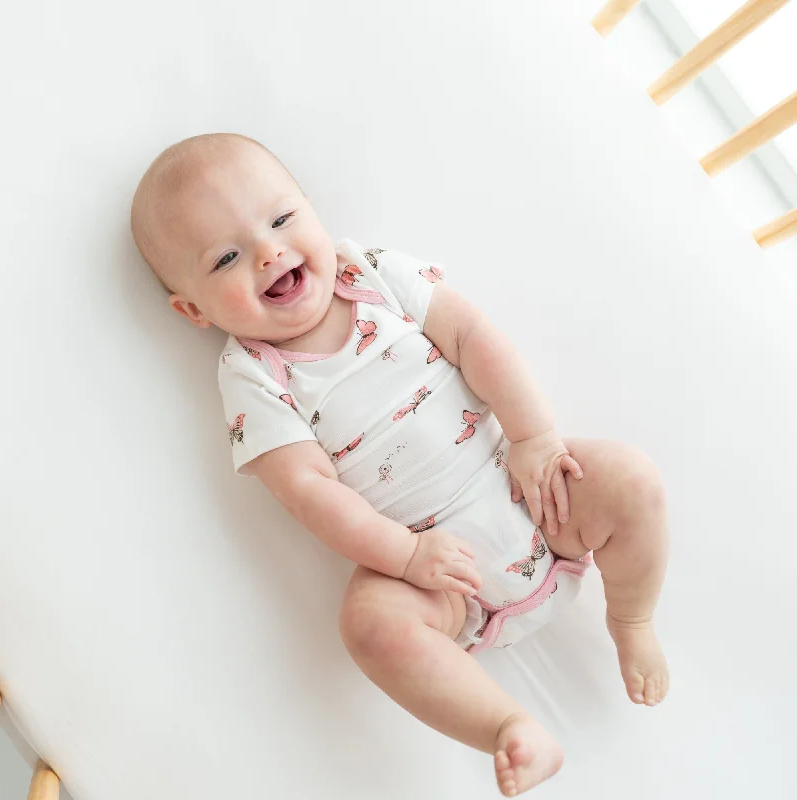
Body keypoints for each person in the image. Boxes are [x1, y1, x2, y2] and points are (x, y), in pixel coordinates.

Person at [131, 132, 669, 796]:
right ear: (193, 310)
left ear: (311, 208)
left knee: (629, 479)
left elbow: (474, 337)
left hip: (527, 493)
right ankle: (507, 727)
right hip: (432, 576)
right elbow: (306, 490)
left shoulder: (373, 274)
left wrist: (533, 437)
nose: (269, 252)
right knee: (369, 629)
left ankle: (633, 617)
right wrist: (404, 559)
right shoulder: (252, 377)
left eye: (280, 220)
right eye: (227, 258)